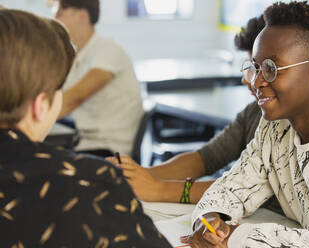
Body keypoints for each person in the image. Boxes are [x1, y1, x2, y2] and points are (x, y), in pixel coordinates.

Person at [185, 2, 309, 247]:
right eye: (254, 67)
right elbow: (232, 186)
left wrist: (240, 237)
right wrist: (209, 220)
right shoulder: (275, 127)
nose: (256, 81)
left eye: (271, 68)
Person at [0, 9, 171, 247]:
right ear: (40, 105)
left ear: (82, 14)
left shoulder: (107, 52)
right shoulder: (91, 184)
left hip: (107, 147)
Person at [109, 15, 265, 204]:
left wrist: (158, 188)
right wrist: (140, 176)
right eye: (249, 67)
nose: (247, 79)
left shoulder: (292, 126)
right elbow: (205, 158)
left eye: (261, 69)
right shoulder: (254, 113)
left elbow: (242, 188)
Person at [53, 0, 143, 157]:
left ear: (82, 16)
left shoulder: (109, 51)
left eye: (60, 13)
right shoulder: (76, 56)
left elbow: (72, 99)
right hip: (83, 142)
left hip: (109, 151)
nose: (54, 19)